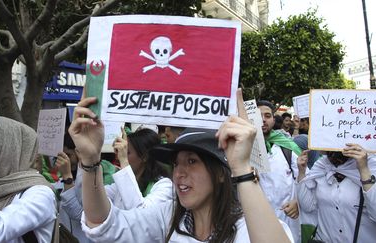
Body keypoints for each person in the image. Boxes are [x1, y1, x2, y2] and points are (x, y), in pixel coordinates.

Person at [70, 90, 293, 242]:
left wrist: (242, 169)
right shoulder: (168, 218)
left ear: (221, 173)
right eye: (176, 164)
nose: (179, 173)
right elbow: (103, 224)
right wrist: (90, 160)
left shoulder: (249, 228)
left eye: (192, 161)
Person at [60, 125, 173, 242]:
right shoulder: (119, 186)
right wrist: (88, 160)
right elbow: (86, 201)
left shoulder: (164, 186)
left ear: (144, 157)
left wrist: (124, 162)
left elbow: (142, 218)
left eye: (127, 152)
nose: (119, 156)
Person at [297, 144, 376, 242]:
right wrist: (302, 172)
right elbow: (308, 206)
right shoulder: (322, 166)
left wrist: (364, 170)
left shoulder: (372, 166)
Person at [257, 100, 303, 242]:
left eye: (267, 116)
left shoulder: (287, 147)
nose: (263, 120)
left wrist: (298, 202)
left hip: (288, 222)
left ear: (273, 119)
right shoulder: (241, 150)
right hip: (256, 224)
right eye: (258, 116)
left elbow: (306, 180)